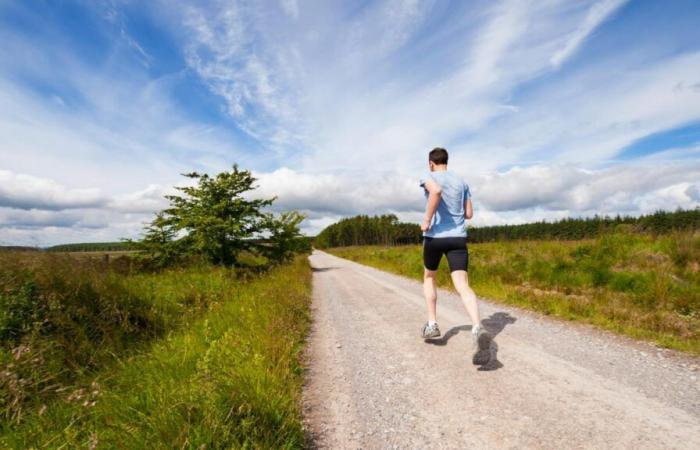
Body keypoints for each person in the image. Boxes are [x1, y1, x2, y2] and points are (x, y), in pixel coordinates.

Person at [419, 147, 490, 365]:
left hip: (435, 237)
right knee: (462, 284)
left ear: (431, 163)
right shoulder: (462, 182)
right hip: (458, 238)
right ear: (446, 162)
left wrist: (427, 219)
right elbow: (469, 214)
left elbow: (436, 191)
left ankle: (432, 324)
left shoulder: (428, 177)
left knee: (430, 277)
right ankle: (477, 327)